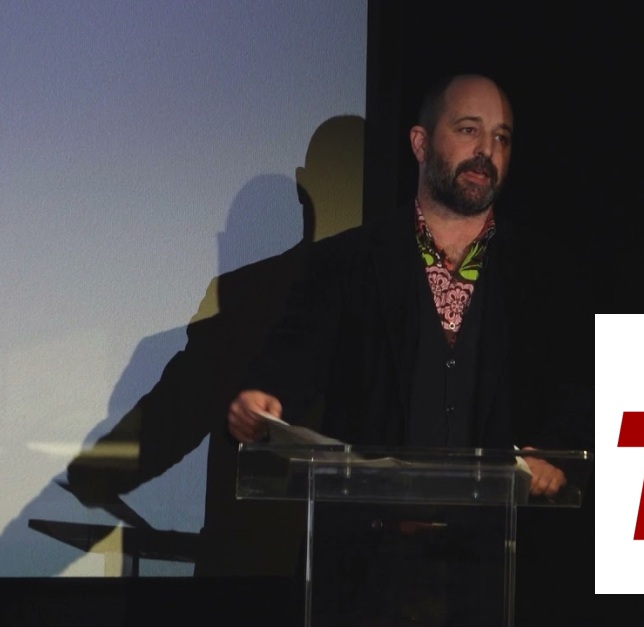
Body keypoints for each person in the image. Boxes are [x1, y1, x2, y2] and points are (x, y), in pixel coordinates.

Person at [226, 73, 592, 625]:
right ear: (420, 143)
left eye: (501, 137)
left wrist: (553, 450)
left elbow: (579, 384)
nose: (486, 151)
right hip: (368, 572)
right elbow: (298, 353)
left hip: (499, 571)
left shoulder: (547, 273)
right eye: (468, 130)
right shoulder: (346, 262)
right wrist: (265, 396)